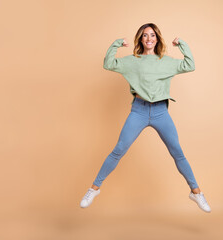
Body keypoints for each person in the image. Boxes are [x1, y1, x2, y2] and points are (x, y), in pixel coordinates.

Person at [80, 23, 211, 213]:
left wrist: (181, 43)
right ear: (140, 40)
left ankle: (197, 193)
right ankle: (93, 189)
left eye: (152, 35)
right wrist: (116, 44)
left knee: (177, 152)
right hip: (139, 111)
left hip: (160, 112)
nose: (149, 39)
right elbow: (108, 64)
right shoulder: (132, 61)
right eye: (144, 36)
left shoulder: (166, 62)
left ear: (157, 38)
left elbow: (190, 65)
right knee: (119, 149)